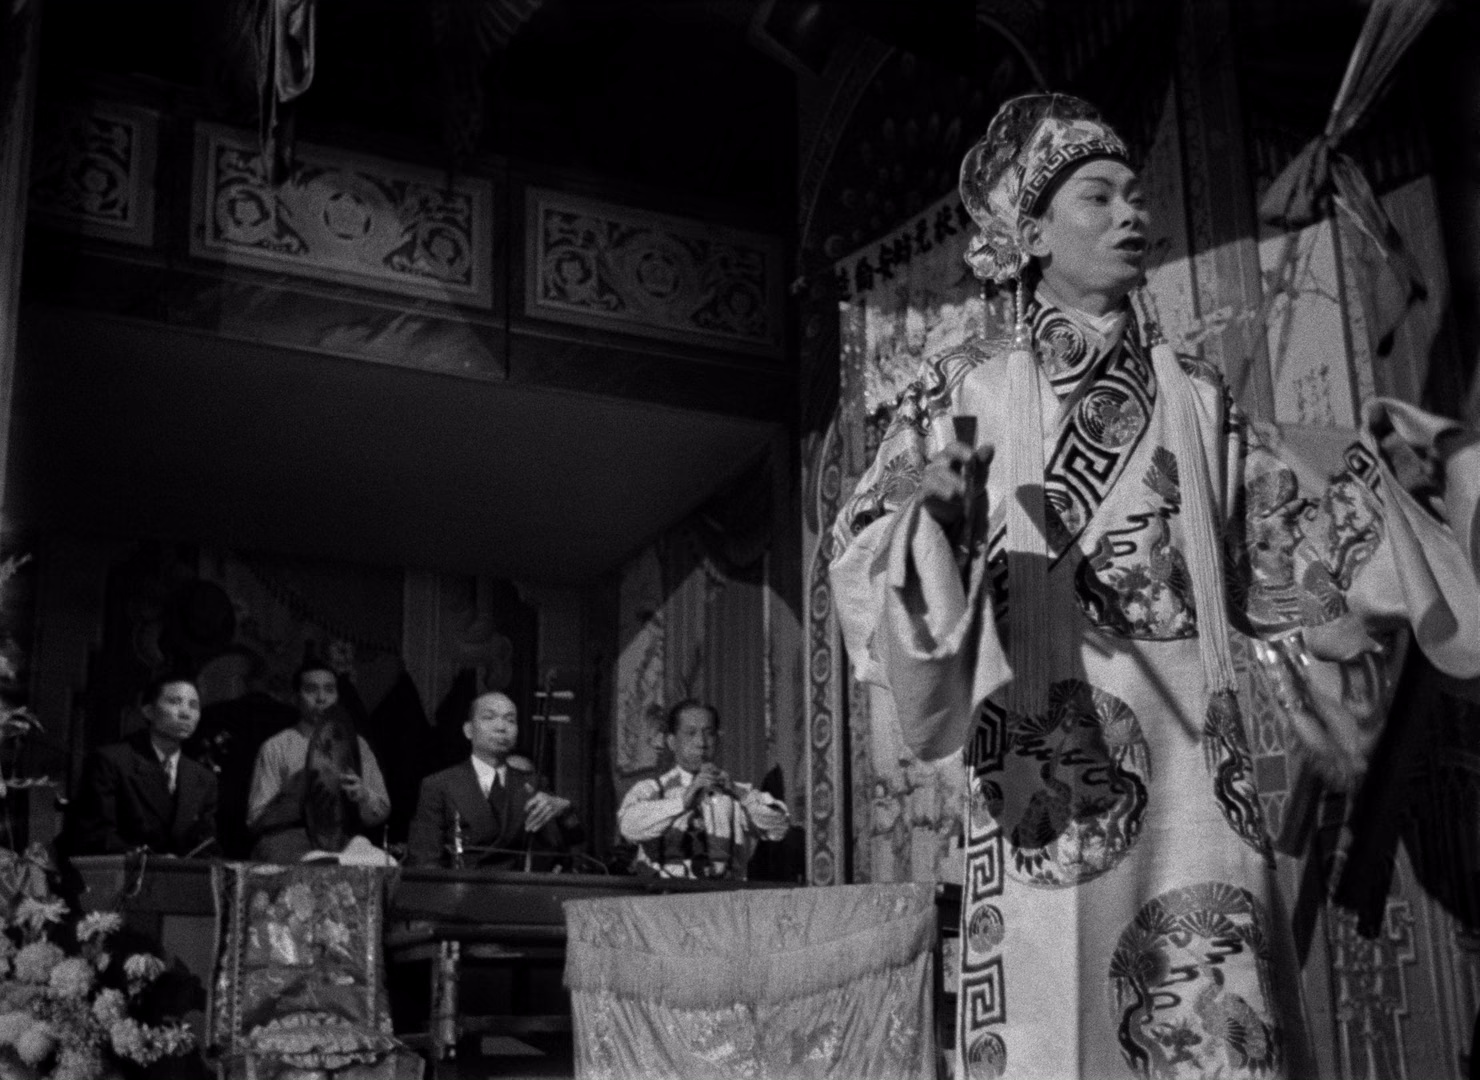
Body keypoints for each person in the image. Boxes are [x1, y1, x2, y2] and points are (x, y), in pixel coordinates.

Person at [829, 92, 1480, 1079]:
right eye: (1097, 197)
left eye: (1135, 195)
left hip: (1191, 749)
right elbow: (878, 549)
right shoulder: (967, 389)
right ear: (1032, 234)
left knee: (1214, 1009)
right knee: (1057, 1012)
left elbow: (1283, 556)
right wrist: (936, 534)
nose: (1130, 213)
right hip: (1045, 746)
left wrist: (1389, 483)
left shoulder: (1197, 396)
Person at [617, 700, 790, 880]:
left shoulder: (734, 793)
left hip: (723, 894)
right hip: (666, 893)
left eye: (709, 734)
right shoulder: (650, 789)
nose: (701, 743)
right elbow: (628, 828)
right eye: (691, 733)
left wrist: (739, 794)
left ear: (717, 740)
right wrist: (681, 803)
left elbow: (779, 828)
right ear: (672, 742)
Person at [406, 691, 580, 868]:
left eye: (510, 720)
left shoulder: (533, 784)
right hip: (463, 882)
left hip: (519, 883)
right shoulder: (440, 785)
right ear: (468, 730)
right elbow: (424, 859)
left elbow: (572, 842)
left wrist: (564, 809)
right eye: (489, 717)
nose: (501, 727)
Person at [246, 653, 390, 861]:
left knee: (383, 861)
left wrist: (363, 795)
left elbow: (382, 809)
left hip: (342, 839)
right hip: (289, 840)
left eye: (329, 690)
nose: (321, 698)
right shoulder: (276, 747)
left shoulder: (356, 744)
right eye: (311, 690)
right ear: (296, 697)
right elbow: (255, 820)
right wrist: (297, 796)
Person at [66, 675, 219, 857]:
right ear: (148, 711)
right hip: (121, 870)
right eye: (174, 702)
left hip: (179, 873)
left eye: (193, 705)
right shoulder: (111, 761)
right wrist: (153, 860)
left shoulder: (203, 777)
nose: (186, 713)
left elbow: (205, 843)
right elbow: (96, 835)